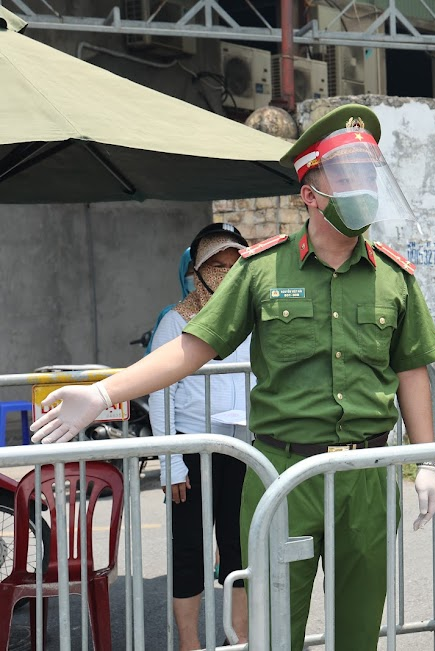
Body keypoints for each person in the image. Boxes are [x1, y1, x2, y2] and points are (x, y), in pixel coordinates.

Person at [31, 103, 435, 651]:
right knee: (275, 630)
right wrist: (104, 392)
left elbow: (411, 368)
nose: (362, 187)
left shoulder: (394, 277)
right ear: (310, 193)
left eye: (367, 173)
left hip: (367, 475)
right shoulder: (261, 269)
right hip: (283, 472)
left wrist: (425, 460)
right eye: (346, 174)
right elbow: (191, 347)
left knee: (358, 629)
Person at [148, 222, 253, 650]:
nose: (226, 274)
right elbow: (160, 395)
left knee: (239, 549)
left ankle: (239, 639)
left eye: (234, 264)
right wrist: (171, 462)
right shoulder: (176, 322)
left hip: (244, 449)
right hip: (191, 452)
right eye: (216, 265)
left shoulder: (254, 319)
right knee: (190, 550)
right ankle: (190, 643)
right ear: (198, 271)